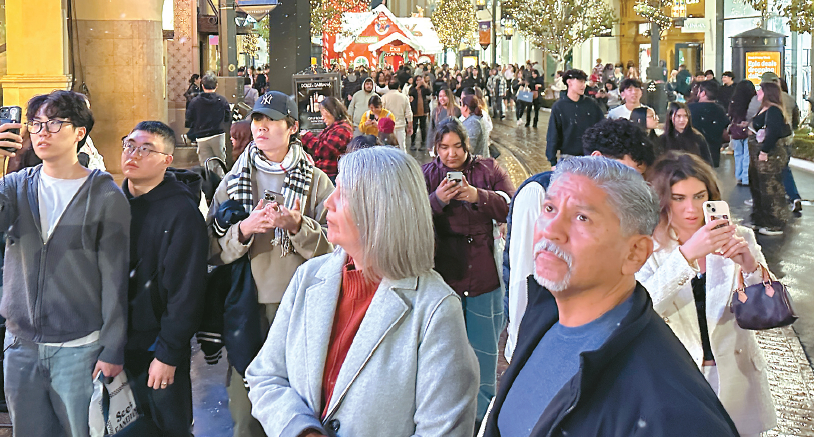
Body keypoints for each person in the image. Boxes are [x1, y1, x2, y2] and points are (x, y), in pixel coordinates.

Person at [485, 156, 739, 437]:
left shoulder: (671, 408)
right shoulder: (542, 315)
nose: (551, 230)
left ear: (634, 253)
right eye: (550, 208)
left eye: (582, 217)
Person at [245, 146, 479, 437]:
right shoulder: (308, 277)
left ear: (378, 209)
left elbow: (443, 430)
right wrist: (301, 430)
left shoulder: (436, 309)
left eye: (342, 193)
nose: (329, 202)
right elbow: (265, 375)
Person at [0, 90, 130, 436]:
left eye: (55, 123)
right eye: (37, 123)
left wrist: (113, 348)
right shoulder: (14, 187)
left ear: (79, 133)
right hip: (20, 345)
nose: (42, 131)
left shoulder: (105, 195)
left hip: (79, 349)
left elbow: (115, 278)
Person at [207, 91, 335, 436]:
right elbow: (210, 248)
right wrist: (245, 229)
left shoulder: (316, 181)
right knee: (245, 404)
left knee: (298, 398)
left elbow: (337, 248)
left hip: (298, 303)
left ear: (292, 126)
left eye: (271, 121)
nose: (261, 128)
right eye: (257, 120)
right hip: (244, 304)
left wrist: (296, 226)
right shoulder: (234, 180)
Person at [637, 151, 776, 436]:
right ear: (662, 199)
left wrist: (749, 266)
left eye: (699, 196)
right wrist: (686, 256)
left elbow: (770, 311)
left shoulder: (739, 237)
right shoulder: (645, 246)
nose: (691, 208)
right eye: (678, 198)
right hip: (677, 378)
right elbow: (639, 309)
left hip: (736, 376)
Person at [502, 119, 655, 361]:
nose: (631, 187)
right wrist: (520, 344)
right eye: (625, 172)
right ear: (596, 157)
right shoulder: (539, 192)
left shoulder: (611, 208)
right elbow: (523, 273)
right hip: (541, 336)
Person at [423, 118, 515, 427]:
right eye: (444, 147)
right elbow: (412, 217)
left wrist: (478, 196)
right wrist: (437, 201)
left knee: (484, 352)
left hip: (484, 275)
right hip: (444, 276)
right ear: (436, 148)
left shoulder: (488, 170)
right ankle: (450, 417)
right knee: (445, 354)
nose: (451, 154)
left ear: (467, 146)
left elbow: (511, 205)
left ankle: (482, 419)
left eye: (457, 147)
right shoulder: (427, 174)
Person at [120, 121, 208, 436]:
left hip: (157, 347)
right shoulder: (112, 204)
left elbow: (187, 293)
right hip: (115, 348)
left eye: (146, 149)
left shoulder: (182, 214)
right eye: (129, 144)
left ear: (167, 160)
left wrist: (168, 353)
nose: (133, 154)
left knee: (167, 427)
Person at [750, 81, 792, 236]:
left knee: (770, 188)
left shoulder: (774, 111)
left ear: (767, 93)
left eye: (760, 90)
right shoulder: (764, 109)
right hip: (758, 156)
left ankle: (774, 223)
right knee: (759, 187)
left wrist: (765, 151)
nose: (758, 93)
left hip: (770, 157)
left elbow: (773, 132)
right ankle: (761, 219)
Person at [545, 69, 604, 167]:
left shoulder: (591, 104)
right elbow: (553, 134)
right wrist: (553, 161)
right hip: (568, 158)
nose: (583, 85)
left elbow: (602, 127)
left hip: (591, 158)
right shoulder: (559, 106)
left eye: (584, 82)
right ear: (569, 82)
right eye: (580, 81)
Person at [301, 96, 353, 183]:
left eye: (323, 113)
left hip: (331, 176)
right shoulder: (334, 128)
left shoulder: (342, 130)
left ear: (332, 112)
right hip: (326, 174)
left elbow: (324, 150)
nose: (322, 118)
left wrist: (307, 136)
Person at [186, 74, 231, 166]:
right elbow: (228, 118)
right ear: (216, 85)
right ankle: (220, 180)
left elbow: (189, 119)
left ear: (202, 86)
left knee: (205, 165)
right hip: (218, 134)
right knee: (220, 163)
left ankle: (208, 180)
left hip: (201, 136)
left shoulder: (195, 102)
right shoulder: (222, 100)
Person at [688, 80, 730, 167]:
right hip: (713, 153)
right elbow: (725, 130)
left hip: (693, 152)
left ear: (703, 93)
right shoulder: (720, 110)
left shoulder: (690, 108)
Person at [727, 80, 756, 186]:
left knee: (738, 154)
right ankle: (746, 178)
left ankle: (738, 177)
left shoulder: (734, 100)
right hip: (749, 130)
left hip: (736, 130)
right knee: (747, 155)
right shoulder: (753, 100)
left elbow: (730, 113)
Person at [382, 80, 413, 150]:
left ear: (388, 87)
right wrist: (410, 126)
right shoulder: (404, 97)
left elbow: (381, 113)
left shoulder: (384, 98)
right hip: (400, 126)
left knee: (388, 149)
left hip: (387, 127)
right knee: (402, 147)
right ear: (398, 87)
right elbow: (409, 113)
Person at [409, 74, 432, 150]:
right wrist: (417, 87)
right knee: (414, 127)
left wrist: (424, 84)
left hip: (423, 110)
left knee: (423, 127)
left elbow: (429, 92)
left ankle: (423, 143)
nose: (419, 82)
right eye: (417, 80)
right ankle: (413, 143)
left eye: (420, 80)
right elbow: (411, 93)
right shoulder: (413, 88)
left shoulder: (424, 88)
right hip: (415, 110)